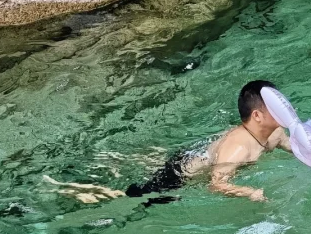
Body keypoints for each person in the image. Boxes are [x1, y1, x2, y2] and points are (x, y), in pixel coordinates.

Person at [51, 79, 292, 207]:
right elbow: (216, 185)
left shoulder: (275, 132)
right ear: (257, 116)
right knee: (129, 197)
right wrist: (249, 192)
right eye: (274, 106)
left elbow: (298, 147)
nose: (283, 108)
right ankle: (73, 188)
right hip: (180, 175)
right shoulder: (239, 148)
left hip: (194, 156)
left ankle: (117, 159)